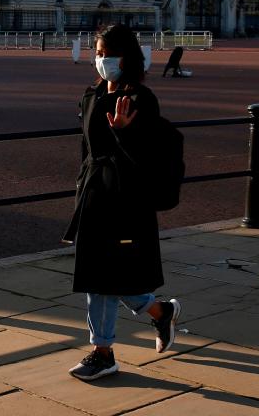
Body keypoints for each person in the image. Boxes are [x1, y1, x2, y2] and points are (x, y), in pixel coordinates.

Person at [62, 23, 181, 381]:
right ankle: (160, 312)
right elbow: (87, 150)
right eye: (97, 54)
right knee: (101, 274)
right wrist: (81, 185)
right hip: (95, 192)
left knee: (101, 276)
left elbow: (145, 160)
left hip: (126, 198)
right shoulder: (92, 95)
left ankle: (103, 352)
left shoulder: (141, 99)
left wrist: (123, 133)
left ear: (125, 58)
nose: (101, 61)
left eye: (107, 55)